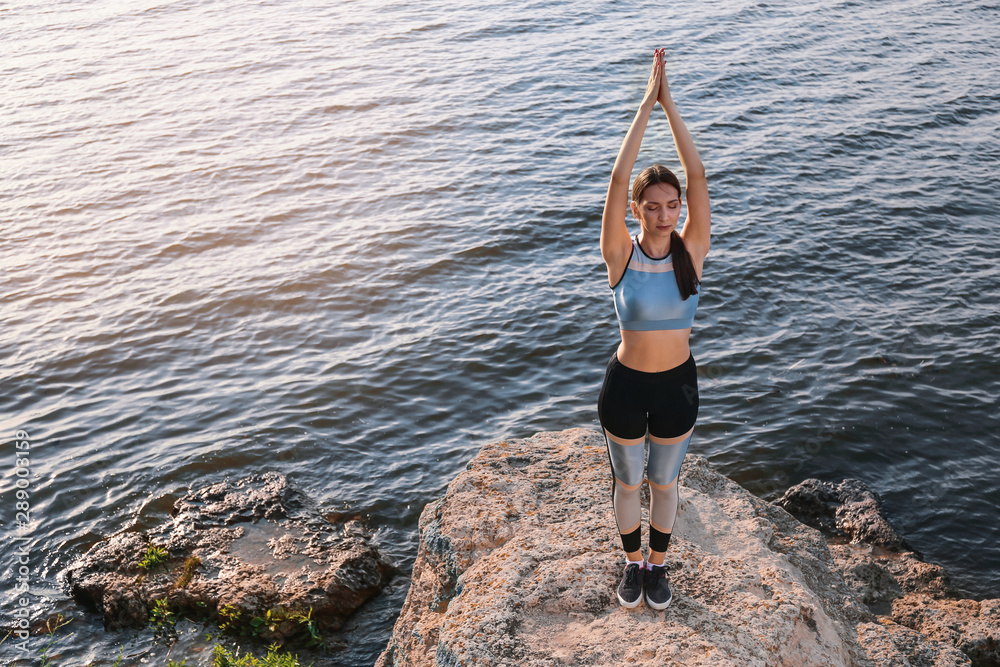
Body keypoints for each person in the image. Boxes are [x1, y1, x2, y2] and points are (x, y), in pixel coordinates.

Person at [597, 48, 710, 610]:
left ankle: (658, 568)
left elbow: (698, 173)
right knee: (627, 483)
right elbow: (618, 176)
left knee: (663, 484)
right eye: (654, 206)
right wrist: (646, 104)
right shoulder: (620, 254)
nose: (666, 214)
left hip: (677, 385)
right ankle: (630, 563)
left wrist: (673, 106)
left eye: (673, 206)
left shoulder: (693, 250)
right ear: (638, 210)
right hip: (626, 385)